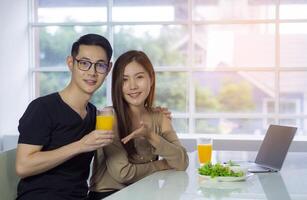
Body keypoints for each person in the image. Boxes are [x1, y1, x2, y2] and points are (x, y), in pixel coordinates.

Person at [15, 34, 114, 200]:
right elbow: (22, 166)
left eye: (100, 65)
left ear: (108, 69)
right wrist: (81, 145)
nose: (92, 72)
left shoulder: (93, 113)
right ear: (70, 63)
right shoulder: (42, 108)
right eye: (84, 63)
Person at [88, 50, 189, 200]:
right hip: (109, 195)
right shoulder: (108, 117)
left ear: (151, 79)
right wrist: (161, 165)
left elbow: (182, 162)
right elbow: (123, 173)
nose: (132, 86)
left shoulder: (160, 117)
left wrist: (151, 136)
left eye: (139, 77)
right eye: (125, 80)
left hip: (146, 193)